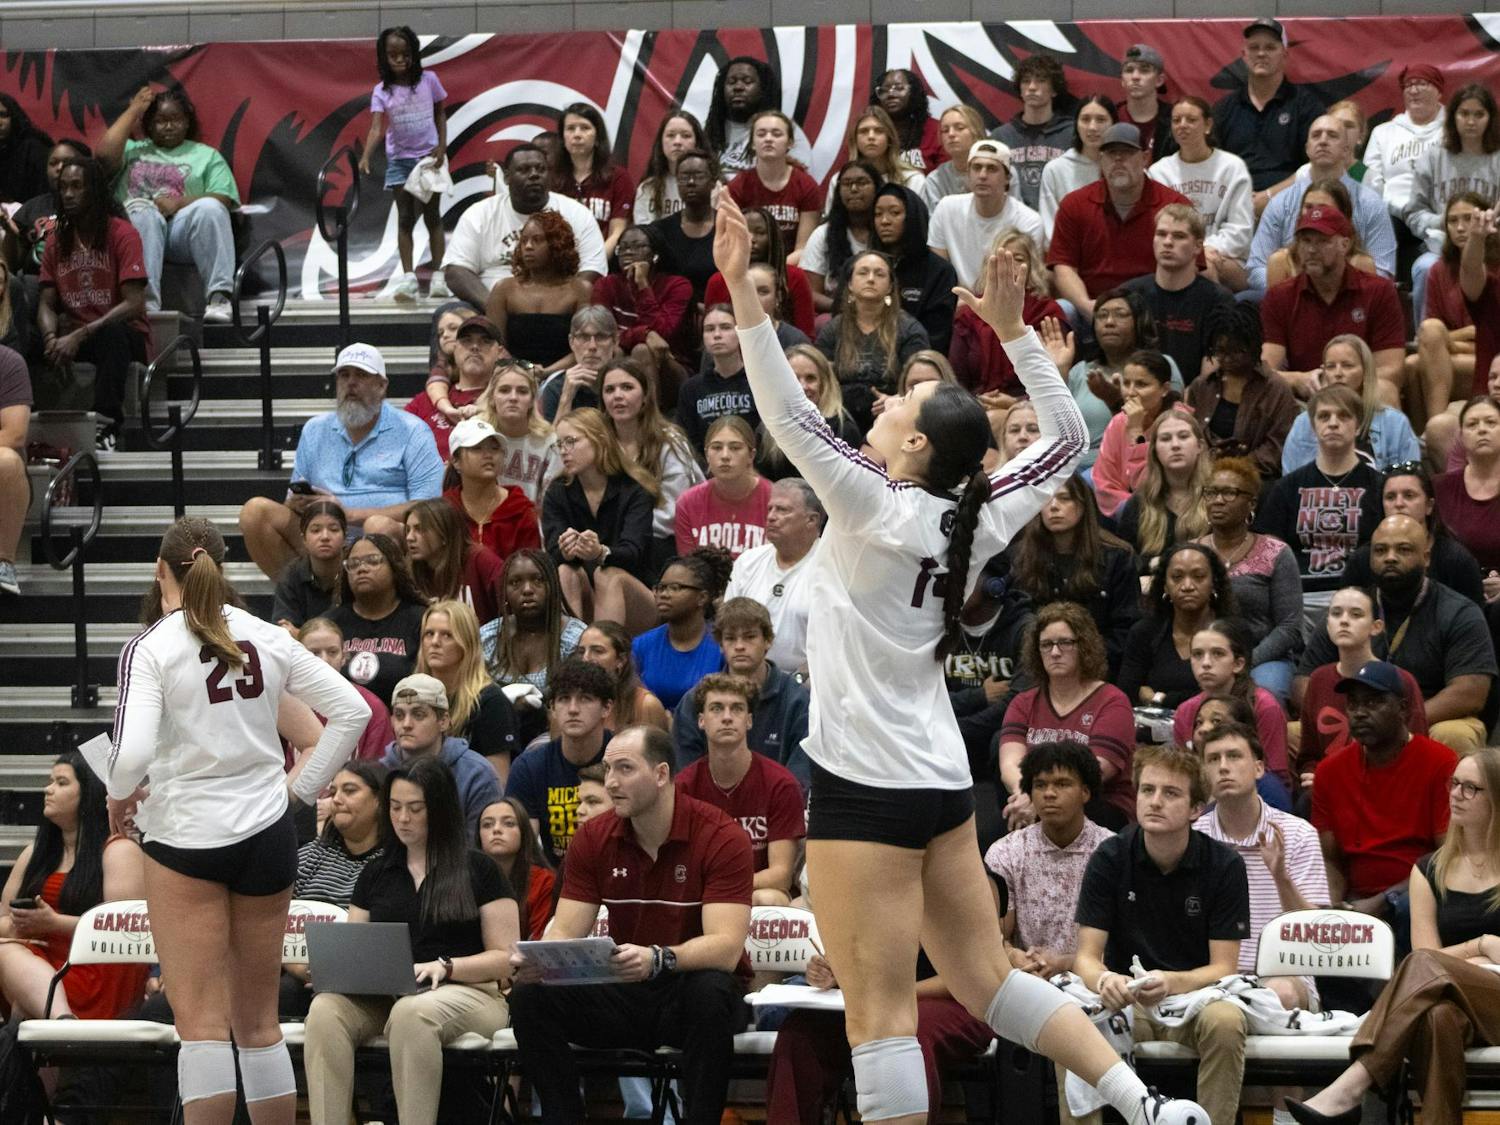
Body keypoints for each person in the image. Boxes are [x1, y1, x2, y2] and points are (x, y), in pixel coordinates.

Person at [715, 189, 1209, 1125]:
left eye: (901, 399)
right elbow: (1066, 438)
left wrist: (746, 295)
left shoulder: (868, 499)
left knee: (878, 1014)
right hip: (941, 780)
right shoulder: (970, 517)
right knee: (986, 980)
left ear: (911, 445)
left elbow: (785, 414)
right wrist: (1018, 335)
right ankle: (1143, 1104)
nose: (887, 396)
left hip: (864, 784)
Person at [105, 517, 369, 1125]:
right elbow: (350, 713)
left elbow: (135, 752)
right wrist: (296, 793)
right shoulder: (264, 634)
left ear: (159, 569)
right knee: (259, 1023)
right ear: (222, 567)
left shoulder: (152, 646)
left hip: (185, 836)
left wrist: (119, 793)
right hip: (267, 834)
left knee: (200, 1026)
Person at [509, 724, 754, 1125]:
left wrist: (660, 958)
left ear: (660, 774)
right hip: (626, 991)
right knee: (530, 997)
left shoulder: (721, 835)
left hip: (690, 994)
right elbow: (566, 928)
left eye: (624, 769)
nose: (611, 782)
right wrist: (541, 959)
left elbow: (726, 949)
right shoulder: (593, 837)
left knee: (710, 992)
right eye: (607, 770)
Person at [1287, 747, 1500, 1125]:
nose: (1455, 795)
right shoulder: (1429, 870)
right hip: (1455, 995)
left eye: (1472, 788)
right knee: (1438, 1017)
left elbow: (1436, 961)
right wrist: (1481, 948)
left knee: (1424, 971)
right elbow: (1429, 957)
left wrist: (1460, 961)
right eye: (1454, 784)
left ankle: (1355, 1082)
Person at [304, 756, 516, 1125]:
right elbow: (356, 946)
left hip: (472, 992)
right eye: (396, 807)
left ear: (440, 809)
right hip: (389, 995)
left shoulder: (479, 869)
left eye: (415, 809)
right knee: (324, 1010)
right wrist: (334, 970)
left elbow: (507, 959)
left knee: (412, 1014)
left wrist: (447, 967)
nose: (403, 819)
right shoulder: (377, 871)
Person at [1072, 743, 1251, 1125]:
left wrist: (1171, 981)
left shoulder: (1225, 865)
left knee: (1227, 1022)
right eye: (1147, 790)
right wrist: (1105, 980)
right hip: (1126, 998)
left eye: (1171, 793)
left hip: (1196, 997)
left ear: (1195, 809)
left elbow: (1224, 967)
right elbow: (1086, 957)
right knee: (1076, 1022)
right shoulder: (1110, 856)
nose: (1155, 802)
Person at [238, 342, 444, 580]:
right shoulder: (315, 430)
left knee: (377, 526)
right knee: (255, 512)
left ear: (382, 386)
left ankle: (385, 603)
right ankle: (303, 599)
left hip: (384, 539)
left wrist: (350, 514)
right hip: (325, 534)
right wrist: (298, 503)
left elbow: (428, 505)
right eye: (344, 375)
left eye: (361, 375)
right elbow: (290, 503)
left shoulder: (412, 430)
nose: (351, 383)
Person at [1299, 514, 1496, 755]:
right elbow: (1303, 681)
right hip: (1354, 715)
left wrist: (1394, 721)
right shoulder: (1351, 608)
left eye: (1403, 549)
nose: (1390, 557)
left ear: (1426, 557)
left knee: (1454, 734)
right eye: (1380, 550)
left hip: (1429, 717)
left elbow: (1470, 693)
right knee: (1292, 733)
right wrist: (1356, 717)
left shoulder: (1459, 611)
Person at [1194, 721, 1329, 1018]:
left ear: (1258, 768)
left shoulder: (1297, 834)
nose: (1224, 767)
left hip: (1282, 974)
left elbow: (1316, 937)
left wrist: (1281, 878)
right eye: (1213, 759)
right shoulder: (1194, 839)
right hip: (1211, 976)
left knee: (1279, 994)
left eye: (1234, 756)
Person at [1312, 660, 1457, 932]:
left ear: (1403, 709)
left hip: (1417, 896)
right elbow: (1331, 860)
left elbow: (1445, 857)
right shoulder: (1329, 771)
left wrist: (1382, 901)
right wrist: (1331, 912)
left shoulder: (1441, 762)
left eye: (1373, 703)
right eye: (1353, 704)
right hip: (1356, 899)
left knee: (1406, 910)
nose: (1360, 713)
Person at [0, 752, 146, 1020]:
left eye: (61, 782)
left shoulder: (118, 851)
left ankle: (61, 1021)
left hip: (97, 972)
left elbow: (127, 932)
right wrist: (22, 925)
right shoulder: (35, 854)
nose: (48, 789)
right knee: (10, 965)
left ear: (89, 793)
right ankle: (58, 1020)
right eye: (49, 781)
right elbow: (3, 919)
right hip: (40, 970)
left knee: (10, 968)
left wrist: (53, 924)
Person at [97, 86, 239, 322]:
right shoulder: (132, 150)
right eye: (161, 121)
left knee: (211, 207)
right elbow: (102, 157)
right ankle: (147, 306)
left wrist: (180, 203)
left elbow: (224, 197)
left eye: (176, 120)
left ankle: (219, 299)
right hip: (137, 232)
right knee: (144, 211)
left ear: (187, 122)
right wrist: (134, 110)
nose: (170, 126)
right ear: (149, 125)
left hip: (179, 234)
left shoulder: (206, 155)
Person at [36, 154, 148, 450]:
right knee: (23, 337)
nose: (69, 194)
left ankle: (107, 426)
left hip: (123, 333)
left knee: (111, 336)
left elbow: (134, 303)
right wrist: (49, 338)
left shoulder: (122, 233)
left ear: (94, 190)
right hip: (74, 334)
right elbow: (46, 302)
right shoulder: (55, 240)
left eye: (77, 186)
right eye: (63, 187)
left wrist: (81, 334)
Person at [999, 602, 1136, 831]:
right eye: (1046, 645)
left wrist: (1039, 800)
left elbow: (1096, 772)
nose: (1054, 652)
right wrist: (1027, 794)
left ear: (1084, 646)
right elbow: (1010, 764)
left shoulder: (1112, 701)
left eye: (1065, 643)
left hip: (1099, 806)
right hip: (1034, 800)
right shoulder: (1023, 702)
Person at [676, 673, 805, 904]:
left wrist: (724, 887)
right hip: (700, 894)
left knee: (769, 898)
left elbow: (781, 875)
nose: (727, 717)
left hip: (755, 892)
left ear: (749, 720)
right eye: (716, 708)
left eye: (736, 709)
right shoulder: (684, 787)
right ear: (701, 720)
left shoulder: (780, 784)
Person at [1049, 124, 1196, 322]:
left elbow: (1191, 266)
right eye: (1110, 153)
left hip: (1155, 312)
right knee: (1064, 309)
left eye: (1126, 153)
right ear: (1101, 160)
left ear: (1145, 158)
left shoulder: (1175, 205)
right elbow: (1063, 267)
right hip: (1094, 308)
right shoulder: (1074, 204)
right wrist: (1087, 307)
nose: (1118, 160)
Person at [1255, 384, 1384, 600]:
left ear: (1359, 426)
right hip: (1298, 598)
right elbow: (1268, 552)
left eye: (1343, 416)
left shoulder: (1379, 486)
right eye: (1324, 416)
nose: (1333, 423)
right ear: (1313, 427)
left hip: (1361, 595)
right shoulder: (1286, 488)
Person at [1294, 586, 1428, 790]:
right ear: (1327, 624)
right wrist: (1314, 774)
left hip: (1387, 786)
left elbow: (1417, 751)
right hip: (1329, 788)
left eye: (1356, 614)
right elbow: (1309, 755)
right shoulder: (1319, 679)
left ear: (1376, 627)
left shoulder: (1401, 680)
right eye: (1336, 613)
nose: (1344, 620)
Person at [443, 143, 606, 310]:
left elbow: (592, 269)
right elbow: (456, 271)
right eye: (524, 170)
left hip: (561, 309)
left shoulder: (577, 213)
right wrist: (495, 308)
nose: (534, 175)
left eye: (540, 169)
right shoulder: (479, 214)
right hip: (488, 305)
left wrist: (555, 306)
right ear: (506, 177)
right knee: (449, 314)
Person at [1246, 116, 1398, 294]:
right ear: (1307, 148)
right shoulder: (1280, 203)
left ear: (1346, 149)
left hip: (1351, 301)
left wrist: (1331, 292)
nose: (1323, 141)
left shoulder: (1371, 204)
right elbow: (1256, 268)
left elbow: (1383, 271)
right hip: (1290, 298)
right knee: (1247, 299)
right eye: (1316, 135)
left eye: (1332, 136)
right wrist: (1297, 292)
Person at [1194, 457, 1303, 701]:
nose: (1218, 500)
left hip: (1263, 658)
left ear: (1251, 502)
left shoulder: (1275, 552)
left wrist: (1245, 662)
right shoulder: (1191, 554)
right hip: (1202, 656)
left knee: (1264, 695)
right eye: (1211, 493)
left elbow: (1289, 626)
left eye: (1230, 493)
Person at [673, 596, 812, 786]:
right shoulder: (695, 700)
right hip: (709, 810)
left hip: (778, 807)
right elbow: (686, 777)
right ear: (721, 645)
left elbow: (801, 776)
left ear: (768, 640)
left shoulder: (797, 700)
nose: (739, 646)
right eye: (730, 638)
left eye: (749, 636)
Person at [1010, 474, 1139, 677]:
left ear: (1083, 503)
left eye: (1064, 498)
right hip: (1039, 670)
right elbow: (1019, 624)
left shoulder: (1117, 557)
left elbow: (1126, 629)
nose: (1053, 506)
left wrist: (1076, 658)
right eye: (1046, 499)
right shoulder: (1022, 558)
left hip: (1101, 671)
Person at [543, 407, 658, 629]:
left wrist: (600, 553)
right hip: (586, 593)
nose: (564, 451)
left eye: (571, 441)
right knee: (566, 571)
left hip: (637, 594)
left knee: (608, 575)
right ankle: (573, 652)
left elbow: (635, 554)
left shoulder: (634, 490)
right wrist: (565, 550)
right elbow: (552, 553)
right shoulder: (557, 492)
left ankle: (602, 653)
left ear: (599, 440)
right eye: (560, 444)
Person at [357, 26, 447, 302]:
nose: (399, 60)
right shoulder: (381, 91)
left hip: (428, 159)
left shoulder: (429, 80)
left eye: (404, 54)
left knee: (432, 216)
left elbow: (440, 113)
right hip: (399, 161)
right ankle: (408, 279)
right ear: (384, 58)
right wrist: (366, 156)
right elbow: (376, 128)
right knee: (405, 218)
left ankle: (439, 277)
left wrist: (442, 147)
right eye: (392, 55)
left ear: (413, 54)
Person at [504, 656, 615, 865]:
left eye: (585, 698)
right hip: (554, 882)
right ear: (552, 708)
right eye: (564, 699)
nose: (573, 709)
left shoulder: (625, 761)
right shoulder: (529, 767)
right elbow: (523, 850)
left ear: (606, 708)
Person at [1404, 83, 1500, 323]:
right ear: (1452, 117)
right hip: (1443, 249)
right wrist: (1445, 222)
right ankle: (1425, 340)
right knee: (1423, 268)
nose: (1471, 121)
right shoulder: (1433, 156)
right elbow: (1413, 212)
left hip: (1493, 249)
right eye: (1464, 113)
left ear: (1490, 118)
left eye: (1479, 114)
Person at [601, 356, 704, 566]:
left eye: (627, 387)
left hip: (659, 543)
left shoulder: (669, 441)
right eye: (609, 390)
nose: (617, 396)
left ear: (646, 395)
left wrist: (626, 534)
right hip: (609, 542)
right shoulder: (596, 443)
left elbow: (674, 511)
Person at [814, 249, 930, 433]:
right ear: (850, 284)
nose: (870, 279)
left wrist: (896, 400)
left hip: (894, 416)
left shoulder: (909, 330)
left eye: (879, 274)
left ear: (891, 286)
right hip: (840, 418)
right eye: (863, 272)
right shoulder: (832, 330)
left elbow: (922, 384)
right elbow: (820, 380)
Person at [1211, 18, 1325, 203]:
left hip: (1292, 204)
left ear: (1285, 55)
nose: (1261, 53)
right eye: (1254, 48)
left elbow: (1317, 166)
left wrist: (1270, 197)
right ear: (1244, 55)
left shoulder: (1307, 106)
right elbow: (1211, 165)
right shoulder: (1224, 108)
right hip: (1231, 204)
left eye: (1270, 47)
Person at [1413, 192, 1496, 447]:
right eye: (1453, 221)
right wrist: (1463, 337)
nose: (1461, 228)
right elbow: (1429, 334)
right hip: (1464, 360)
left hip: (1486, 361)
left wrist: (1451, 340)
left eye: (1468, 219)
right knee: (1413, 362)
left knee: (1417, 362)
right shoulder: (1439, 269)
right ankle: (1426, 436)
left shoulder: (1493, 269)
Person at [1147, 98, 1254, 291]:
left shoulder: (1232, 167)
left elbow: (1240, 231)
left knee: (1204, 267)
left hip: (1225, 257)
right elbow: (1157, 228)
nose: (1182, 125)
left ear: (1208, 125)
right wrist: (1190, 251)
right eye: (1176, 120)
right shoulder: (1158, 172)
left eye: (1191, 119)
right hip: (1175, 253)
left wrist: (1202, 251)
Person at [1342, 461, 1486, 604]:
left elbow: (1473, 619)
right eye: (1390, 497)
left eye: (1409, 495)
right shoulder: (1361, 561)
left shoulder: (1457, 561)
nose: (1399, 504)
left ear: (1429, 506)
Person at [1172, 618, 1292, 788]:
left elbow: (1277, 779)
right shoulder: (1185, 711)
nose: (1205, 663)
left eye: (1218, 654)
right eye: (1197, 654)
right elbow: (1184, 777)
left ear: (1238, 664)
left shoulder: (1264, 707)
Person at [377, 672, 501, 835]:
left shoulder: (476, 774)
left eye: (418, 715)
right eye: (399, 715)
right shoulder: (379, 772)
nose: (406, 724)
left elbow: (481, 848)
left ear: (443, 721)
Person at [1124, 204, 1236, 382]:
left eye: (1179, 236)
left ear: (1198, 247)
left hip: (1193, 400)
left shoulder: (1219, 300)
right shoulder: (1129, 295)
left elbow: (1213, 368)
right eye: (1161, 234)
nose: (1167, 242)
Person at [1184, 303, 1300, 474]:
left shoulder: (1276, 389)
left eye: (1237, 351)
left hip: (1255, 480)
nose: (1228, 359)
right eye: (1221, 351)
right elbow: (1190, 436)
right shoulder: (1201, 387)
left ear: (1254, 346)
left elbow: (1277, 448)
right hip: (1203, 475)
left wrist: (1232, 469)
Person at [950, 229, 1065, 400]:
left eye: (1018, 259)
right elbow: (956, 379)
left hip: (1032, 406)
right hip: (976, 405)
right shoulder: (969, 314)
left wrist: (1015, 404)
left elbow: (1053, 378)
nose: (1010, 265)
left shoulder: (1047, 312)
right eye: (1001, 259)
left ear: (1032, 266)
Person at [723, 476, 823, 673]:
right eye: (770, 509)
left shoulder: (833, 567)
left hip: (811, 682)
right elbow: (728, 625)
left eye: (782, 510)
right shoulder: (748, 561)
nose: (771, 516)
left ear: (811, 520)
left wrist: (798, 682)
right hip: (747, 677)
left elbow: (838, 641)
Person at [1282, 335, 1421, 473]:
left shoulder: (1395, 424)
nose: (1338, 373)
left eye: (1347, 366)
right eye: (1330, 367)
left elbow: (1411, 480)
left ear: (1365, 371)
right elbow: (1290, 484)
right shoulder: (1304, 423)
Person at [1120, 542, 1236, 708]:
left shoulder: (1232, 632)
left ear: (1213, 583)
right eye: (1177, 577)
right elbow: (1127, 693)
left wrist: (1161, 698)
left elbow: (1230, 695)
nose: (1187, 586)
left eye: (1198, 576)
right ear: (1165, 585)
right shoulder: (1144, 632)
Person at [927, 139, 1043, 300]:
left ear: (1008, 178)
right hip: (956, 301)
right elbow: (938, 271)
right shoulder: (946, 208)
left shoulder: (1029, 221)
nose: (982, 175)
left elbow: (1027, 280)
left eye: (992, 169)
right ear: (968, 174)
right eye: (976, 168)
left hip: (1007, 302)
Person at [417, 600, 520, 780]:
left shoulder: (490, 702)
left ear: (466, 643)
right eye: (429, 634)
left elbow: (498, 784)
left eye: (447, 635)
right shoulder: (413, 694)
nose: (434, 642)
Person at [481, 549, 587, 717]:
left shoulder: (577, 638)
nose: (527, 590)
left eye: (538, 580)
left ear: (553, 585)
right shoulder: (487, 637)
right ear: (505, 591)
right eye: (515, 582)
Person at [591, 225, 695, 398]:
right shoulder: (606, 285)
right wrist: (644, 334)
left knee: (642, 351)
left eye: (638, 247)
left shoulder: (677, 285)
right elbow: (601, 334)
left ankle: (650, 419)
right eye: (623, 248)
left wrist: (642, 285)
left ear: (655, 255)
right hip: (620, 356)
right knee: (613, 351)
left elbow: (663, 334)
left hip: (670, 365)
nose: (628, 252)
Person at [327, 532, 428, 706]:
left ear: (394, 568)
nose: (362, 568)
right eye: (353, 564)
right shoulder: (330, 624)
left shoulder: (422, 620)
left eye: (373, 561)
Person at [487, 211, 593, 371]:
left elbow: (585, 347)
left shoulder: (580, 290)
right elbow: (495, 347)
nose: (528, 246)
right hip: (511, 373)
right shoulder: (503, 289)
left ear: (557, 244)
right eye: (523, 241)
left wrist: (547, 373)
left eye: (537, 240)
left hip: (567, 374)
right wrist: (524, 371)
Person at [1113, 410, 1211, 578]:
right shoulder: (1139, 501)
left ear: (1200, 446)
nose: (1175, 445)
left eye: (1183, 436)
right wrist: (1152, 565)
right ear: (1155, 450)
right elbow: (1123, 562)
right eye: (1165, 439)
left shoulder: (1218, 495)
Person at [633, 550, 731, 710]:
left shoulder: (723, 645)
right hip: (652, 731)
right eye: (661, 587)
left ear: (702, 597)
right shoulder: (641, 645)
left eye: (675, 587)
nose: (664, 594)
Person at [441, 415, 542, 569]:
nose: (488, 455)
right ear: (455, 461)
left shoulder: (521, 512)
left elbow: (530, 572)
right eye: (477, 448)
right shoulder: (444, 511)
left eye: (495, 448)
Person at [1093, 351, 1185, 516]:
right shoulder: (1119, 422)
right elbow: (1104, 482)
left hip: (1169, 509)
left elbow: (1149, 489)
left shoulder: (1179, 423)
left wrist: (1136, 431)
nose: (1130, 392)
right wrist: (1129, 507)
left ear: (1164, 389)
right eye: (1126, 383)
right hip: (1125, 507)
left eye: (1141, 384)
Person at [703, 205, 816, 338]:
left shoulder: (795, 277)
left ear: (772, 237)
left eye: (760, 232)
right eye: (744, 232)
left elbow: (806, 334)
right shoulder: (717, 282)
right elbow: (711, 335)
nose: (751, 239)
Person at [870, 182, 958, 352]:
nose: (884, 221)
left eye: (895, 213)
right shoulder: (863, 266)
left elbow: (937, 337)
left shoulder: (939, 271)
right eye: (877, 214)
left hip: (918, 363)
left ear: (913, 216)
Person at [297, 618, 395, 764]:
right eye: (314, 653)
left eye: (332, 652)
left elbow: (375, 775)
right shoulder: (285, 704)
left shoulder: (372, 707)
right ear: (298, 657)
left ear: (343, 657)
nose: (324, 660)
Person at [410, 313, 504, 461]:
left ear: (499, 352)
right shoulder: (424, 401)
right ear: (454, 349)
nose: (474, 347)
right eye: (467, 340)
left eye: (485, 341)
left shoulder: (508, 399)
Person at [675, 415, 770, 559]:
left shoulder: (774, 499)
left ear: (751, 455)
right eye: (717, 447)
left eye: (735, 448)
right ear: (707, 455)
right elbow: (689, 570)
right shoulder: (687, 503)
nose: (725, 455)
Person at [759, 346, 861, 477]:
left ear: (824, 383)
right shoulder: (767, 428)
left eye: (810, 378)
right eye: (793, 379)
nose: (802, 387)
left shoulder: (844, 430)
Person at [1364, 64, 1448, 224]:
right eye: (1409, 85)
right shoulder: (1382, 133)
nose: (1414, 91)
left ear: (1439, 91)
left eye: (1422, 84)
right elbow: (1371, 181)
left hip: (1441, 214)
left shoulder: (1454, 130)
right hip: (1393, 216)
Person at [727, 110, 820, 254]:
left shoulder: (806, 185)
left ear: (790, 143)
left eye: (776, 134)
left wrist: (778, 271)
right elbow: (733, 245)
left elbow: (803, 249)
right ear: (752, 143)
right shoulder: (738, 186)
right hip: (748, 266)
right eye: (761, 134)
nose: (768, 139)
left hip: (791, 267)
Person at [991, 53, 1075, 209]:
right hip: (1013, 225)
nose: (1032, 87)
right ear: (1020, 89)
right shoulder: (1000, 137)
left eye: (1041, 81)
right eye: (1026, 81)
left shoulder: (1072, 134)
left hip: (1060, 220)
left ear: (1054, 90)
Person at [404, 498, 504, 624]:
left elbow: (510, 610)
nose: (409, 538)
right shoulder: (411, 570)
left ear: (444, 533)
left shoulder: (480, 560)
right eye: (408, 530)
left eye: (419, 529)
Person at [553, 102, 634, 257]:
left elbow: (617, 232)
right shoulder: (552, 179)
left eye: (585, 128)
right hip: (559, 266)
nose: (577, 134)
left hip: (603, 264)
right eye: (570, 128)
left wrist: (593, 265)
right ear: (563, 138)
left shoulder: (618, 177)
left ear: (597, 137)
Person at [678, 305, 761, 454]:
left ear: (740, 332)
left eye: (725, 327)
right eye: (709, 329)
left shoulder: (759, 383)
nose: (717, 335)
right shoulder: (691, 389)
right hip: (707, 471)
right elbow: (689, 444)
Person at [1434, 394, 1500, 582]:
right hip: (1454, 590)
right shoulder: (1438, 487)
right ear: (1461, 437)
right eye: (1472, 424)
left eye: (1491, 422)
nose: (1482, 430)